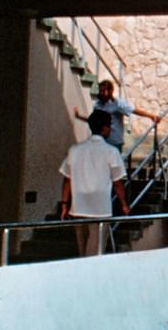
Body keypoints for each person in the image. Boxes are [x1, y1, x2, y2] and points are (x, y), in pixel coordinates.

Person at [59, 110, 129, 256]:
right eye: (109, 125)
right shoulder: (111, 152)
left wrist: (64, 205)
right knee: (95, 254)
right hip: (100, 209)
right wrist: (123, 204)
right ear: (104, 128)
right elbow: (117, 182)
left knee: (82, 251)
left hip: (78, 207)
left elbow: (67, 180)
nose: (110, 129)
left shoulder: (75, 150)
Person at [75, 79, 160, 153]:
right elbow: (93, 120)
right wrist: (79, 116)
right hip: (100, 141)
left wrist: (151, 116)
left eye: (104, 91)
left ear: (110, 91)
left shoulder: (117, 104)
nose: (102, 93)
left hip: (114, 141)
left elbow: (133, 110)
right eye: (100, 91)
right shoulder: (97, 105)